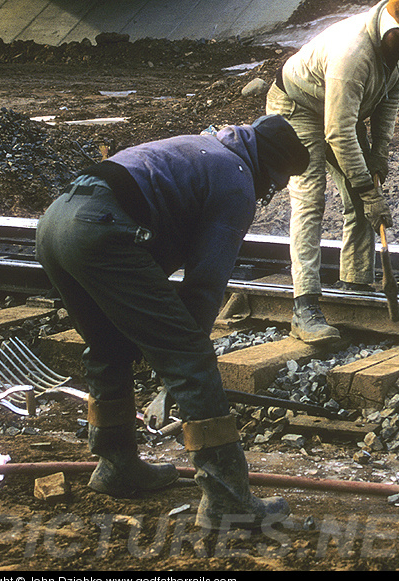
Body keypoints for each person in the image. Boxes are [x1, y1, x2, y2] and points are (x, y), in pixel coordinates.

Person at [35, 115, 309, 530]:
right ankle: (227, 500)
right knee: (192, 356)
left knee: (108, 346)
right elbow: (204, 286)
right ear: (267, 166)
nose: (267, 194)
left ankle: (117, 464)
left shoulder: (206, 148)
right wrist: (178, 369)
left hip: (55, 224)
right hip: (99, 230)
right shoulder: (237, 178)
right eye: (273, 185)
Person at [266, 0, 399, 344]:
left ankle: (354, 283)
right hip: (297, 107)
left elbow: (388, 106)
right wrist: (369, 190)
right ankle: (304, 306)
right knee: (310, 199)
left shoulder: (398, 56)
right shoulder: (352, 55)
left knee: (360, 198)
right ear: (387, 28)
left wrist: (378, 158)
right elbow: (338, 132)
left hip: (338, 111)